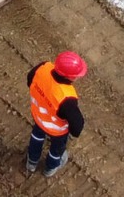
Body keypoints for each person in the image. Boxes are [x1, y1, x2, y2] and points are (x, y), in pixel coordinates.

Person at [24, 49, 86, 177]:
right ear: (69, 76)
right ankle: (50, 168)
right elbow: (77, 128)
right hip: (57, 130)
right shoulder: (66, 97)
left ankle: (31, 162)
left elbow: (29, 80)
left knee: (36, 138)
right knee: (56, 150)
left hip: (39, 118)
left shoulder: (43, 67)